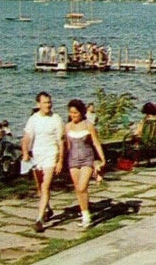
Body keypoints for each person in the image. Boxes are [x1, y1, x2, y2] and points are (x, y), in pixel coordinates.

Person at [21, 92, 65, 233]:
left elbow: (61, 141)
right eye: (45, 102)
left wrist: (60, 160)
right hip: (37, 156)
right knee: (40, 187)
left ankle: (39, 220)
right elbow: (27, 137)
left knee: (46, 186)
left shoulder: (56, 119)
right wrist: (25, 152)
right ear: (38, 104)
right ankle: (48, 209)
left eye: (49, 102)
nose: (48, 105)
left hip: (51, 154)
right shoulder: (33, 119)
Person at [64, 99, 106, 228]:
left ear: (81, 112)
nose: (73, 115)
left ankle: (86, 215)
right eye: (71, 113)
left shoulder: (88, 126)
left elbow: (96, 143)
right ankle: (85, 214)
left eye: (76, 113)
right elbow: (67, 146)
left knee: (82, 187)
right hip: (73, 160)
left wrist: (102, 160)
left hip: (87, 159)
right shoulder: (68, 126)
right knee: (78, 189)